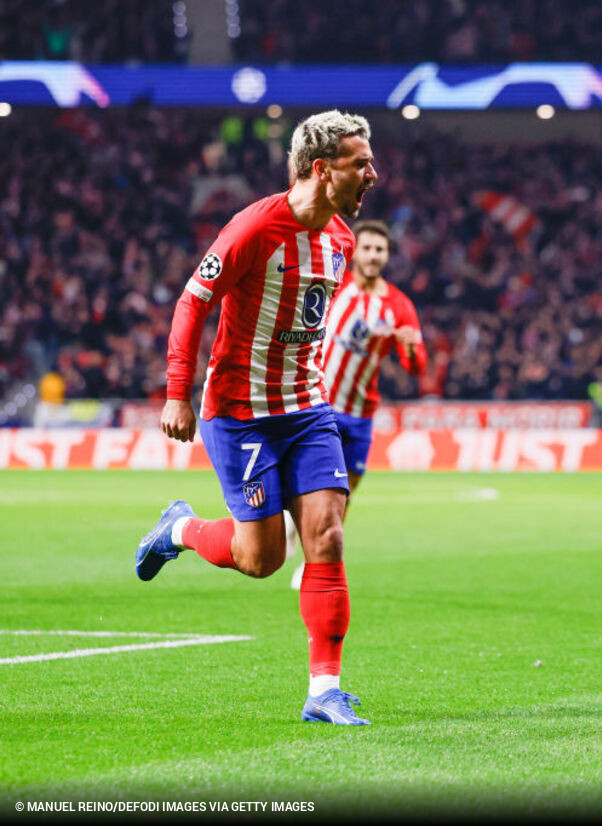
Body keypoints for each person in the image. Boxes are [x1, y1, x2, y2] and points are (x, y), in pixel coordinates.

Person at [134, 109, 378, 726]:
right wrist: (176, 392)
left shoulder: (342, 240)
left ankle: (324, 691)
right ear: (322, 170)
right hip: (240, 414)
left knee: (327, 535)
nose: (372, 173)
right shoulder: (251, 230)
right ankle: (181, 529)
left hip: (307, 410)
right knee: (260, 559)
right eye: (360, 163)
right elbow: (192, 303)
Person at [286, 219, 428, 589]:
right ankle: (309, 555)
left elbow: (417, 366)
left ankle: (311, 555)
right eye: (366, 248)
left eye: (379, 249)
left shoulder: (398, 306)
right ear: (355, 253)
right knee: (320, 488)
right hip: (321, 405)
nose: (372, 255)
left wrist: (410, 344)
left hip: (362, 415)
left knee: (344, 495)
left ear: (387, 256)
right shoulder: (335, 289)